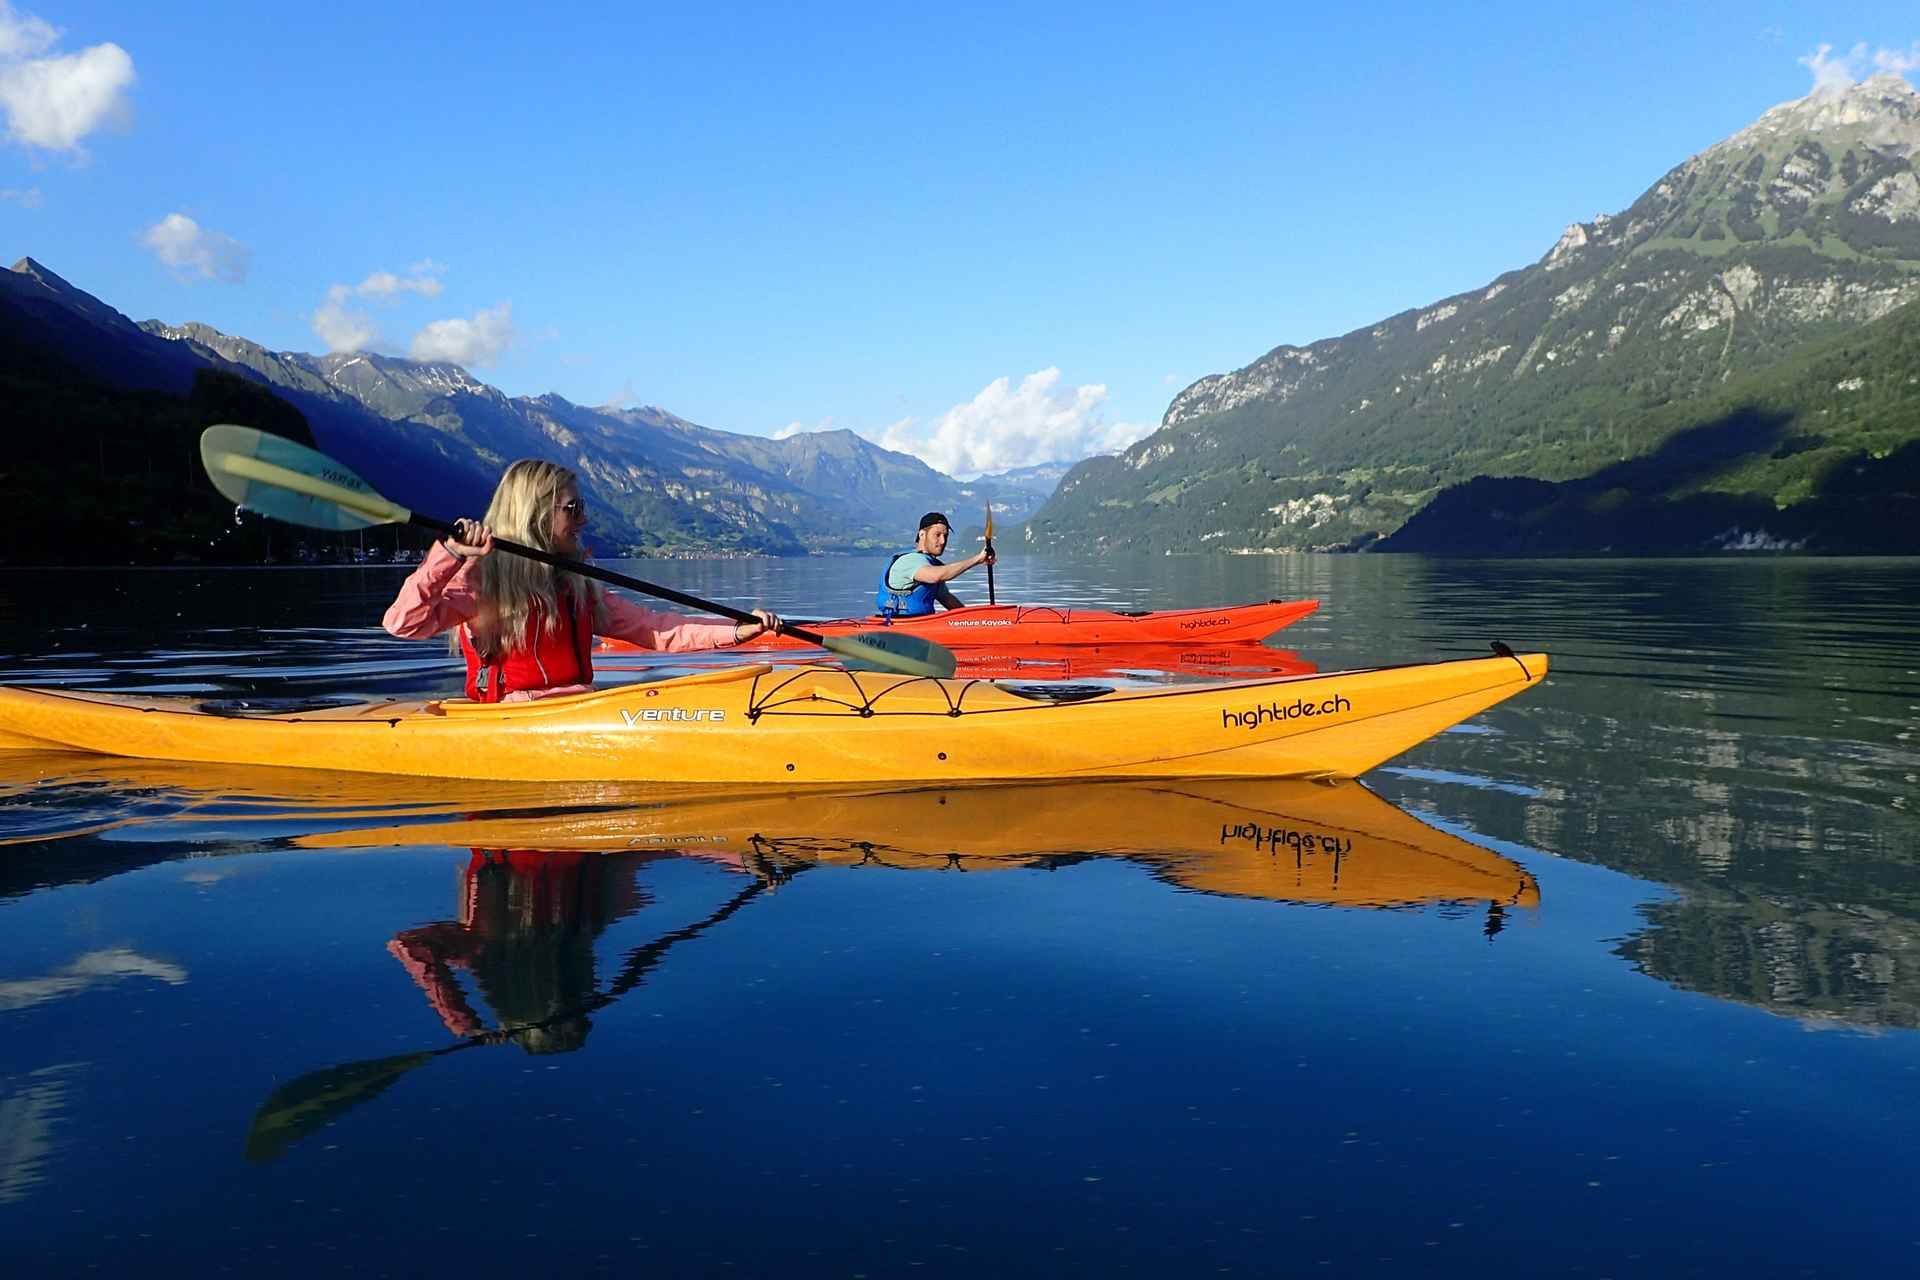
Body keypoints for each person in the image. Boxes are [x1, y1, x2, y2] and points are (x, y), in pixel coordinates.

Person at [383, 458, 779, 702]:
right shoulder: (481, 582)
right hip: (515, 724)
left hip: (580, 709)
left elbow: (657, 630)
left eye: (581, 507)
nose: (584, 520)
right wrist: (450, 555)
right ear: (534, 513)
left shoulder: (577, 584)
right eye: (573, 509)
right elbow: (403, 623)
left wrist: (736, 631)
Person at [875, 511, 995, 618]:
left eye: (945, 536)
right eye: (937, 535)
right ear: (922, 534)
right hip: (899, 626)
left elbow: (947, 599)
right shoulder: (910, 561)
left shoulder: (931, 564)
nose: (943, 541)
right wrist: (977, 559)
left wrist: (974, 621)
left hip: (922, 624)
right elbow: (936, 576)